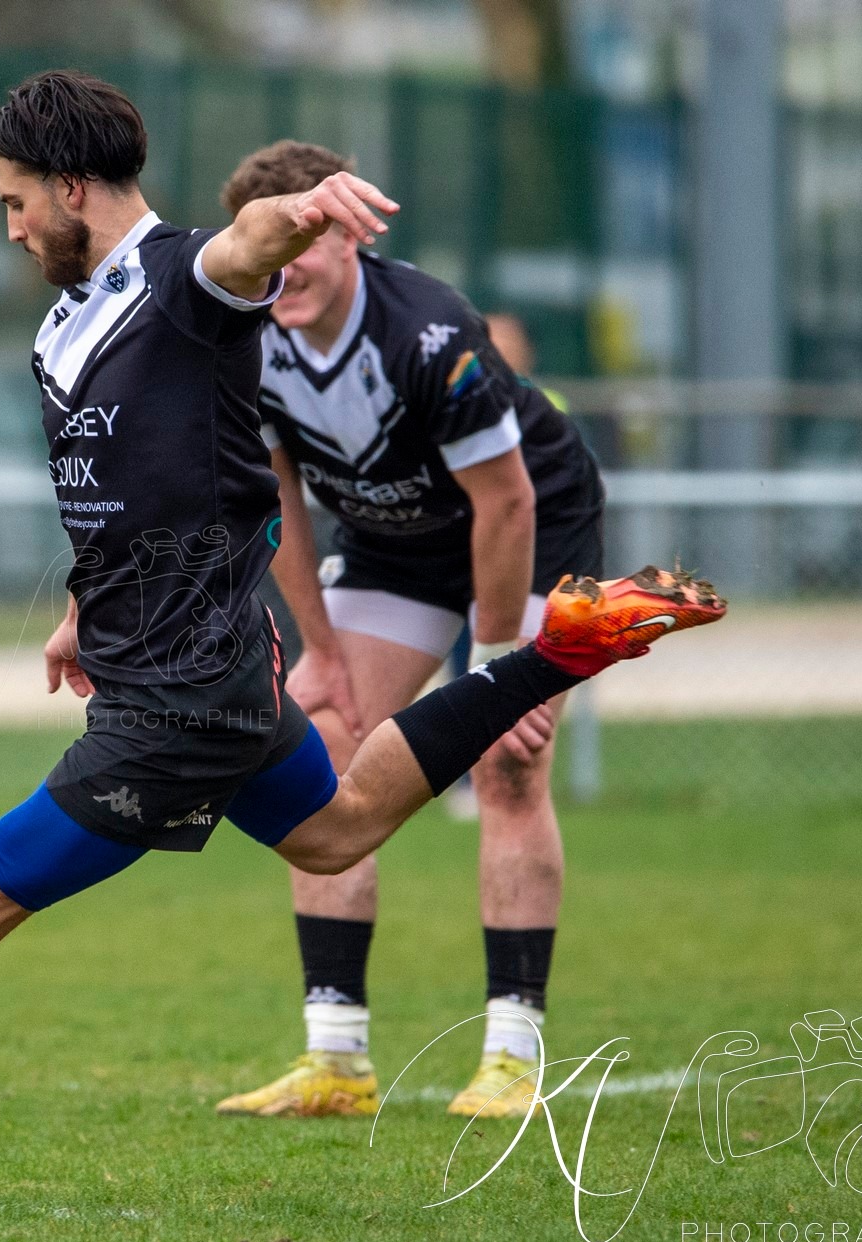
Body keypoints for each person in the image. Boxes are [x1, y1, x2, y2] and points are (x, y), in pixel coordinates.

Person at [0, 72, 723, 1209]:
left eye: (18, 202)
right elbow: (139, 487)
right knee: (335, 831)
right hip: (204, 662)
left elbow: (244, 244)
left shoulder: (183, 280)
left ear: (74, 187)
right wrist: (82, 607)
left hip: (177, 702)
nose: (10, 227)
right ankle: (563, 649)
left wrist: (307, 207)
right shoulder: (74, 316)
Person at [212, 141, 609, 1123]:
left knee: (509, 764)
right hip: (392, 546)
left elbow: (507, 504)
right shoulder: (246, 338)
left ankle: (512, 1059)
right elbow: (281, 503)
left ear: (346, 233)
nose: (284, 265)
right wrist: (324, 653)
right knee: (324, 751)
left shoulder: (430, 334)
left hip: (527, 525)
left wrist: (502, 668)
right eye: (269, 245)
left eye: (303, 238)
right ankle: (335, 1060)